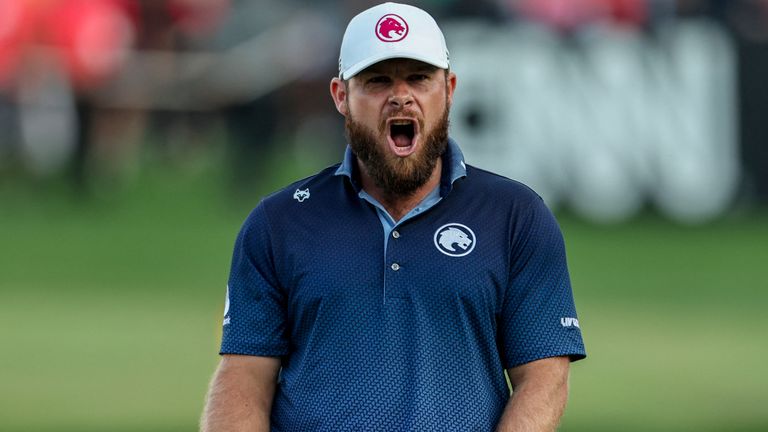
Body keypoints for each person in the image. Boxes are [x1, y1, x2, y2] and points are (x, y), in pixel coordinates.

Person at [200, 3, 586, 431]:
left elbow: (544, 376)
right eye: (377, 81)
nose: (400, 96)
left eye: (419, 78)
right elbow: (244, 379)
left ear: (450, 89)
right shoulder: (279, 223)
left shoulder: (515, 216)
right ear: (341, 97)